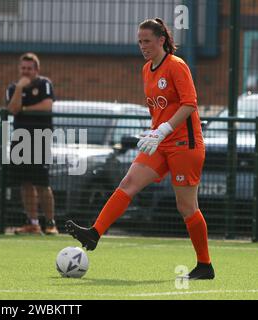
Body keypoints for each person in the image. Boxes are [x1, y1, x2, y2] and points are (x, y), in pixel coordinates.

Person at [66, 18, 215, 280]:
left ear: (161, 40)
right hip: (160, 142)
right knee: (128, 183)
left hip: (184, 144)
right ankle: (95, 232)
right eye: (140, 41)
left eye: (147, 41)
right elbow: (159, 109)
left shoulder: (177, 66)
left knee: (187, 207)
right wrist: (154, 131)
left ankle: (205, 265)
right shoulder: (147, 69)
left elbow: (190, 104)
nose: (143, 46)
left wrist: (164, 129)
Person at [6, 53, 59, 235]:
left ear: (36, 69)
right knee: (25, 183)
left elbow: (47, 105)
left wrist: (25, 109)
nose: (26, 71)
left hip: (40, 138)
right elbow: (12, 109)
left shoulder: (44, 84)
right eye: (23, 68)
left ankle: (51, 223)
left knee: (42, 184)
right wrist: (20, 89)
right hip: (20, 140)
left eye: (29, 68)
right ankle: (33, 223)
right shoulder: (14, 87)